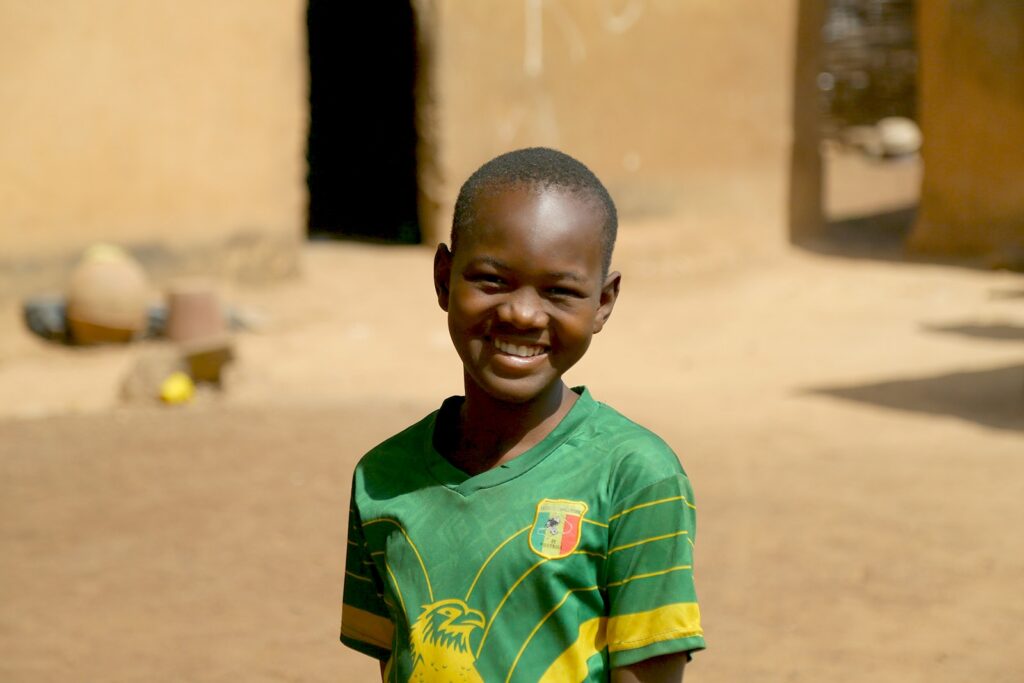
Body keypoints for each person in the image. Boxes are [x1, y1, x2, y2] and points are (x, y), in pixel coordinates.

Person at [341, 147, 704, 682]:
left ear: (603, 303)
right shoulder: (383, 478)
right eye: (492, 280)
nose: (523, 313)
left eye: (560, 292)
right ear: (443, 278)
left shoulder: (634, 477)